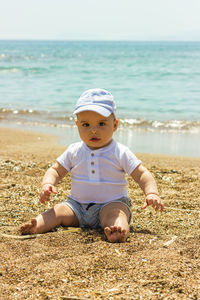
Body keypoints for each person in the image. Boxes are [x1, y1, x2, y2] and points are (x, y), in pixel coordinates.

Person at [20, 88, 163, 243]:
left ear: (115, 125)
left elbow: (142, 174)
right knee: (58, 211)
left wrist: (151, 193)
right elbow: (55, 170)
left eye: (101, 124)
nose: (93, 130)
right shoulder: (74, 151)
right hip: (77, 207)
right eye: (86, 124)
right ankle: (36, 225)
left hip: (111, 203)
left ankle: (118, 231)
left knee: (115, 214)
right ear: (77, 125)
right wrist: (48, 184)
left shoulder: (119, 152)